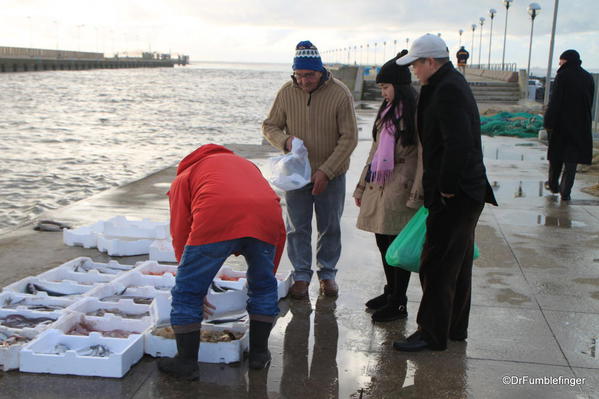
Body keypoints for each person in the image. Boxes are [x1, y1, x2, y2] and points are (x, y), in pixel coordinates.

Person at [392, 34, 497, 352]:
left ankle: (431, 333)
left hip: (457, 193)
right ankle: (454, 327)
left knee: (436, 263)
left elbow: (458, 144)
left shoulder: (447, 89)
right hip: (468, 191)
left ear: (431, 62)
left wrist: (447, 189)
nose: (413, 71)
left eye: (415, 65)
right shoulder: (447, 83)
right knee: (458, 261)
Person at [157, 144, 286, 379]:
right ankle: (259, 354)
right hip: (268, 216)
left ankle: (186, 363)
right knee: (263, 289)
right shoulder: (246, 165)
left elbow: (180, 230)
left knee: (186, 293)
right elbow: (279, 229)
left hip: (217, 215)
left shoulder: (185, 175)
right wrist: (267, 275)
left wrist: (191, 281)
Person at [262, 40, 358, 299]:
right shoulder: (286, 92)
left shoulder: (340, 93)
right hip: (296, 175)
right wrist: (285, 141)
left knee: (330, 225)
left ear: (321, 71)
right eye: (299, 75)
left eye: (309, 75)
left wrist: (326, 171)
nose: (304, 81)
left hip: (332, 173)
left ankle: (327, 274)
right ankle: (301, 275)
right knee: (297, 226)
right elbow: (269, 126)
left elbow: (349, 138)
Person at [353, 50, 423, 322]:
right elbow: (373, 153)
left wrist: (418, 193)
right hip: (379, 185)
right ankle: (391, 291)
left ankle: (399, 301)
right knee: (383, 240)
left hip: (401, 188)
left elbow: (423, 157)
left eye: (385, 87)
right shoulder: (387, 112)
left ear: (399, 86)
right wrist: (361, 187)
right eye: (380, 87)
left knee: (398, 245)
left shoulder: (416, 114)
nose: (382, 92)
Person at [544, 49, 595, 201]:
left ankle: (553, 185)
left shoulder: (563, 76)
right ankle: (566, 192)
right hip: (581, 125)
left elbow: (555, 101)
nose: (559, 63)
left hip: (561, 125)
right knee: (571, 160)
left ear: (566, 60)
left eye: (561, 60)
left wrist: (548, 122)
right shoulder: (588, 77)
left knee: (556, 157)